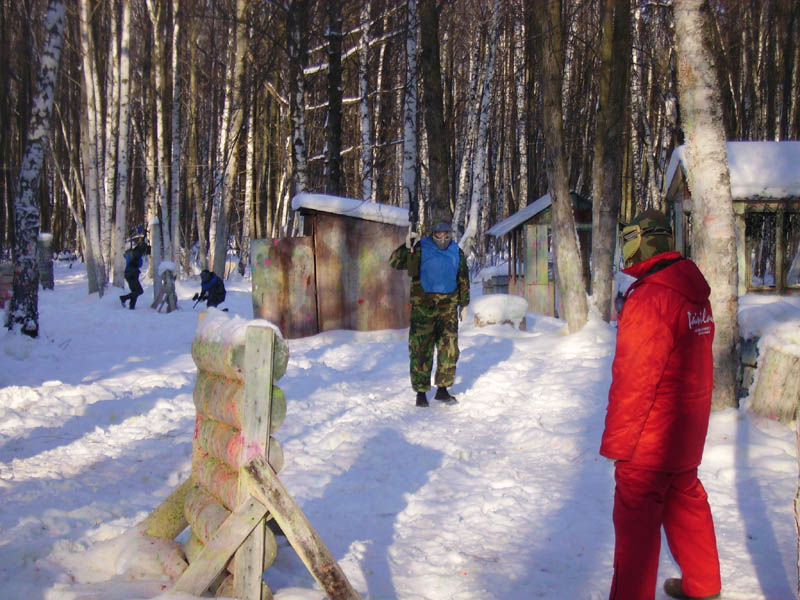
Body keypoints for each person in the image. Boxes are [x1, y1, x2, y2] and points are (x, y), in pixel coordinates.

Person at [600, 209, 721, 600]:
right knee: (685, 498)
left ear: (639, 242)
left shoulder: (652, 297)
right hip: (686, 431)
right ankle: (704, 586)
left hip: (651, 437)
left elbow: (634, 380)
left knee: (636, 522)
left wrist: (619, 445)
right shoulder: (691, 290)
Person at [390, 221, 470, 407]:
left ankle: (442, 389)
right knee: (420, 350)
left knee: (449, 350)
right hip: (423, 309)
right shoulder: (420, 248)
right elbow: (395, 262)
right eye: (439, 234)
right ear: (433, 234)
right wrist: (407, 246)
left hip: (448, 310)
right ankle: (421, 392)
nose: (442, 237)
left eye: (446, 234)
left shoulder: (456, 251)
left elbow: (463, 277)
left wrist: (464, 303)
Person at [119, 234, 151, 310]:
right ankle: (123, 298)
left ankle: (132, 306)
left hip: (129, 273)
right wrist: (144, 244)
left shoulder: (132, 253)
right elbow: (139, 255)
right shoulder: (136, 253)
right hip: (132, 273)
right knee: (139, 291)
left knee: (135, 291)